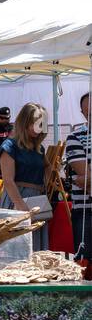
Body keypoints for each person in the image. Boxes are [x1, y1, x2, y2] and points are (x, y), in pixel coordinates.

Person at [0, 102, 51, 251]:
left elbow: (47, 167)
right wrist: (21, 206)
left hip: (36, 201)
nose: (39, 128)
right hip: (17, 200)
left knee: (35, 250)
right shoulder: (10, 146)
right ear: (25, 121)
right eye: (36, 124)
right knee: (16, 250)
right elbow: (8, 181)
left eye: (42, 125)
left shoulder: (39, 147)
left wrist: (44, 185)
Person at [65, 92, 89, 260]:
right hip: (85, 211)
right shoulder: (74, 137)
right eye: (88, 113)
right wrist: (85, 178)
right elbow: (84, 175)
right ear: (82, 112)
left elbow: (87, 178)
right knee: (84, 261)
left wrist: (86, 178)